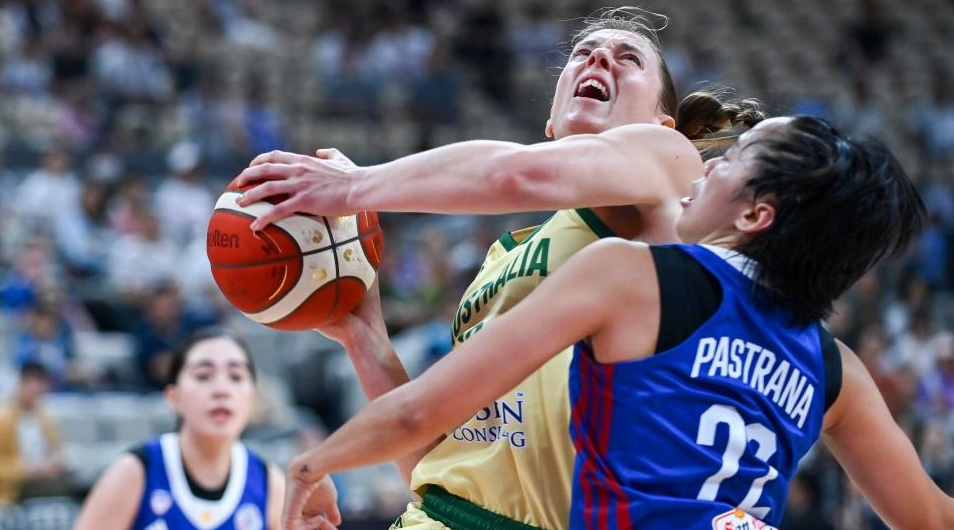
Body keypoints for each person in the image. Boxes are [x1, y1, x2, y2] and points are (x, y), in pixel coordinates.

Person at [276, 116, 952, 530]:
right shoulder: (835, 369)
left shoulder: (633, 276)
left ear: (755, 214)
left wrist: (310, 467)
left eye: (735, 156)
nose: (709, 162)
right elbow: (930, 517)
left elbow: (416, 414)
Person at [234, 7, 762, 529]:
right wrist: (363, 333)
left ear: (662, 123)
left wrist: (354, 186)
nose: (599, 58)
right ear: (551, 120)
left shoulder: (668, 165)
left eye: (629, 59)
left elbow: (516, 174)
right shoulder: (505, 256)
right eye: (583, 52)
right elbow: (441, 464)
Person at [72, 329, 325, 530]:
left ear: (251, 398)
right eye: (203, 376)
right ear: (174, 396)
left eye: (236, 376)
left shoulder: (268, 482)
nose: (221, 390)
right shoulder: (135, 471)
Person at [0, 362, 71, 505]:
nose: (36, 396)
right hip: (16, 489)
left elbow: (58, 453)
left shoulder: (44, 419)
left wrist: (55, 465)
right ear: (21, 385)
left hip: (43, 483)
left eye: (40, 392)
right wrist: (30, 470)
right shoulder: (4, 419)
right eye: (32, 390)